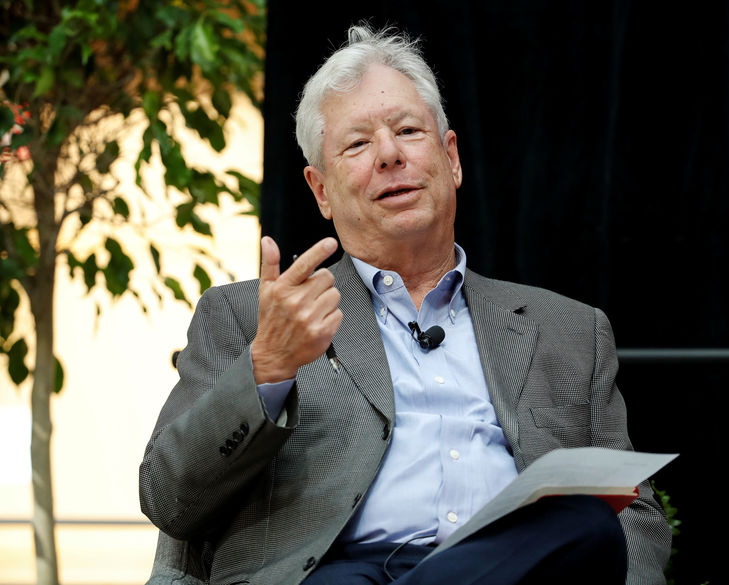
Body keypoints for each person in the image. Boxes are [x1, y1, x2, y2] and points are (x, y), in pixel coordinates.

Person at [140, 24, 671, 585]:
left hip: (506, 573)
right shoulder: (252, 318)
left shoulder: (569, 329)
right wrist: (267, 368)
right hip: (337, 577)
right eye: (358, 144)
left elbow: (633, 514)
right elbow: (169, 500)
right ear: (320, 190)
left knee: (586, 521)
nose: (390, 155)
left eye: (408, 130)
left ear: (452, 159)